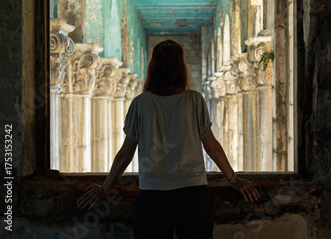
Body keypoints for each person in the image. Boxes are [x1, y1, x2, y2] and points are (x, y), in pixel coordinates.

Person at [77, 39, 260, 238]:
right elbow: (211, 147)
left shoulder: (141, 104)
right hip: (192, 195)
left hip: (153, 197)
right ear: (181, 68)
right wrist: (233, 179)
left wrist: (105, 187)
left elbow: (125, 154)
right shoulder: (194, 100)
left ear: (153, 68)